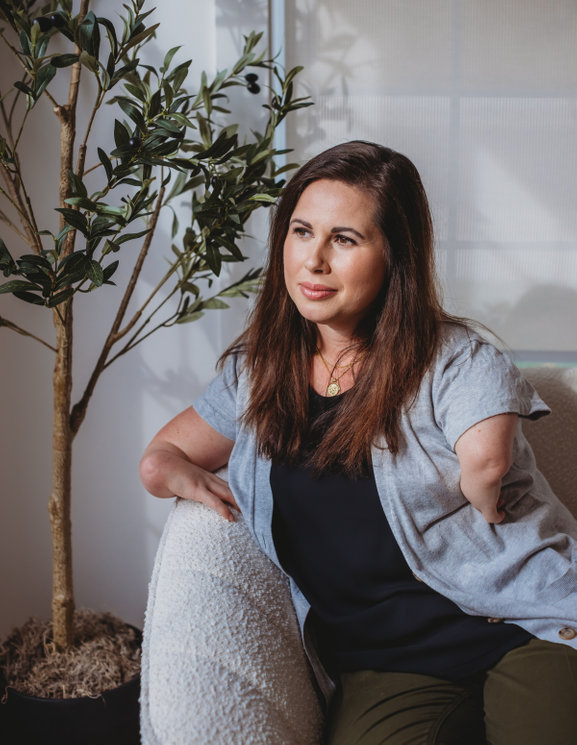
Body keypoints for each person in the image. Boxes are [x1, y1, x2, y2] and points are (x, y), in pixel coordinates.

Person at [140, 141, 577, 745]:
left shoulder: (455, 358)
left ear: (395, 255)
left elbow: (488, 455)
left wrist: (485, 485)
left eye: (344, 239)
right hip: (386, 663)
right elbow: (162, 456)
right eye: (301, 232)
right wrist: (176, 475)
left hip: (527, 622)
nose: (314, 260)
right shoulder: (258, 374)